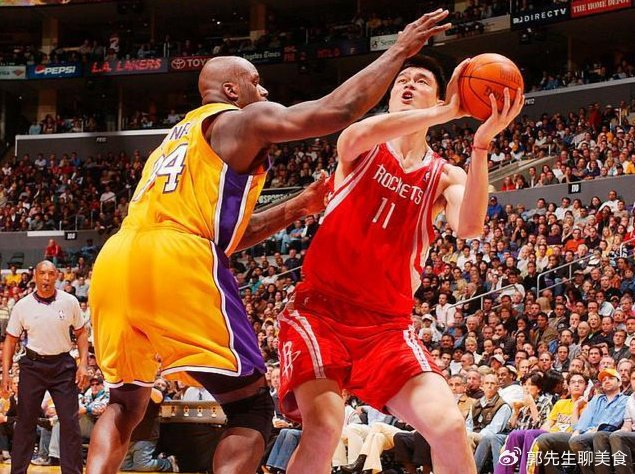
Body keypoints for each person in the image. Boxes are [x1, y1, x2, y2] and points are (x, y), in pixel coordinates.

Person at [86, 10, 452, 474]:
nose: (264, 93)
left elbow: (228, 236)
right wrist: (399, 49)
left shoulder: (172, 142)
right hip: (175, 256)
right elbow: (338, 111)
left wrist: (296, 207)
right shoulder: (242, 118)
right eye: (256, 83)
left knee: (126, 401)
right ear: (231, 90)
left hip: (115, 260)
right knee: (250, 409)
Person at [276, 52, 524, 474]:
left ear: (441, 95)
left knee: (449, 427)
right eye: (402, 80)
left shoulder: (445, 175)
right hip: (320, 313)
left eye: (421, 80)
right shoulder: (365, 145)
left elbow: (469, 226)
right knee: (325, 428)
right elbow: (353, 135)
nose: (408, 84)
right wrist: (447, 111)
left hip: (387, 326)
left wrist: (481, 146)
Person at [2, 260, 88, 474]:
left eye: (50, 274)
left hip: (63, 366)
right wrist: (6, 373)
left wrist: (84, 365)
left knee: (70, 423)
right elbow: (11, 340)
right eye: (42, 273)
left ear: (57, 276)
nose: (46, 278)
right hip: (33, 366)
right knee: (25, 423)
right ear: (36, 277)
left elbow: (81, 333)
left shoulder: (70, 301)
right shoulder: (23, 305)